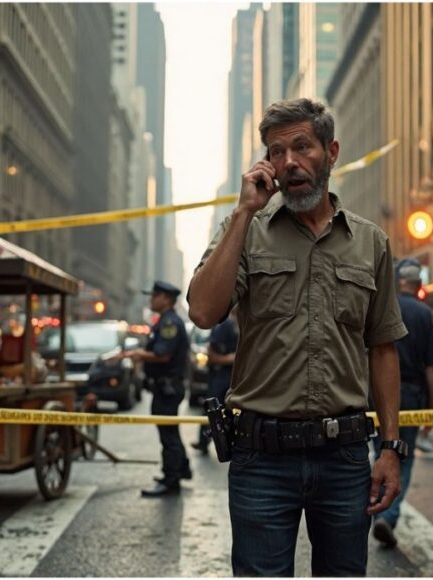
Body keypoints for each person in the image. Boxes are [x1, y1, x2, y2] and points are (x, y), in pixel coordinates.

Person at [187, 98, 407, 576]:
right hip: (261, 459)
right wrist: (244, 213)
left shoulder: (371, 243)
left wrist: (391, 448)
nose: (289, 162)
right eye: (276, 151)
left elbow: (383, 348)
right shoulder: (244, 231)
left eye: (302, 147)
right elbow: (203, 311)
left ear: (331, 152)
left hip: (344, 457)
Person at [371, 258, 433, 548]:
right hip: (411, 395)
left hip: (376, 393)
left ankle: (375, 506)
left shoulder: (380, 306)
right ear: (420, 285)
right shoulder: (426, 315)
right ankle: (387, 515)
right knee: (404, 457)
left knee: (377, 452)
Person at [120, 281, 192, 497]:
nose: (151, 299)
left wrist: (138, 354)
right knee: (170, 432)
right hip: (165, 387)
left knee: (168, 434)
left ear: (167, 299)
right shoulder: (164, 321)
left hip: (167, 387)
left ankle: (171, 481)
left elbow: (163, 355)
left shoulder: (169, 322)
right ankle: (179, 470)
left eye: (156, 295)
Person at [191, 310, 238, 455]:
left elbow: (211, 353)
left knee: (216, 410)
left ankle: (209, 441)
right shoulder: (227, 324)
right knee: (215, 410)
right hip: (223, 375)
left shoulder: (229, 323)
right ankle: (206, 441)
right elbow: (211, 353)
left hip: (225, 375)